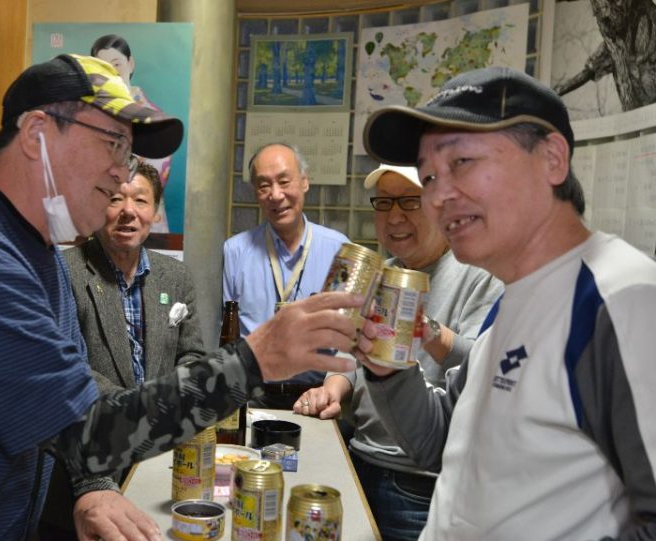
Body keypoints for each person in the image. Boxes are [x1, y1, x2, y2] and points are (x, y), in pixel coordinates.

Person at [0, 53, 362, 541]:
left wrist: (91, 485)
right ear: (37, 133)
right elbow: (92, 432)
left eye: (127, 154)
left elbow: (71, 404)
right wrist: (254, 360)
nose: (122, 177)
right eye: (113, 145)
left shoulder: (34, 250)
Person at [357, 66, 656, 539]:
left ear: (552, 159)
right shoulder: (512, 302)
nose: (438, 196)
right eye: (430, 175)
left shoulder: (620, 301)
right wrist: (385, 366)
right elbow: (438, 443)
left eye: (462, 163)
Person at [294, 164, 502, 540]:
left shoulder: (480, 274)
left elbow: (484, 369)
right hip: (358, 458)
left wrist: (426, 329)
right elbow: (353, 358)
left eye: (409, 201)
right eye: (384, 202)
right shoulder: (383, 271)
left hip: (418, 483)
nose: (394, 216)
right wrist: (333, 388)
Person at [39, 161, 205, 539]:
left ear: (155, 212)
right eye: (116, 198)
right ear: (99, 205)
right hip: (83, 477)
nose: (129, 211)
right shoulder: (64, 272)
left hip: (157, 465)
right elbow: (67, 370)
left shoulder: (175, 277)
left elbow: (193, 356)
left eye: (141, 200)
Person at [222, 142, 350, 409]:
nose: (275, 194)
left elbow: (349, 337)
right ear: (256, 192)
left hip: (316, 395)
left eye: (284, 181)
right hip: (252, 395)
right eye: (264, 185)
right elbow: (228, 335)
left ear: (304, 182)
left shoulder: (339, 249)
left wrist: (330, 391)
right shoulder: (235, 250)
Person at [91, 33, 171, 233]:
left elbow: (155, 175)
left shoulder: (151, 115)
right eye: (104, 67)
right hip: (96, 217)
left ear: (130, 64)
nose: (112, 73)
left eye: (117, 64)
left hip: (141, 219)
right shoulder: (87, 115)